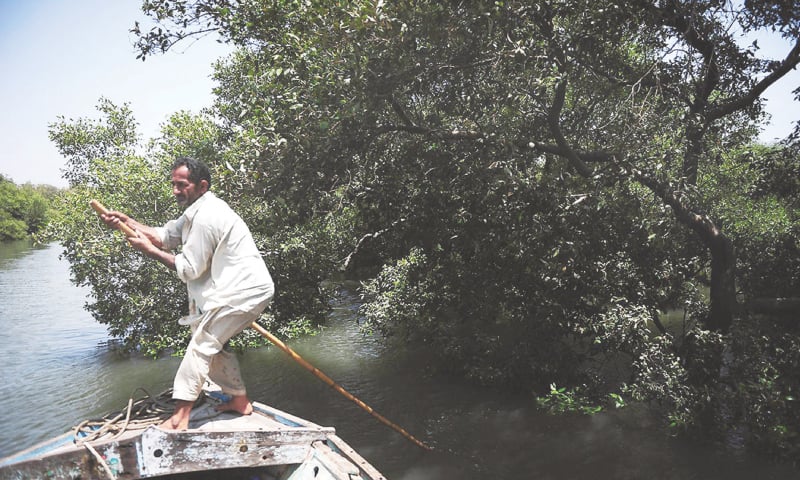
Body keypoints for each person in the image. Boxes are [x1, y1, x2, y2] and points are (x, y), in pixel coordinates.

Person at [101, 157, 275, 430]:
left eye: (181, 185)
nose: (175, 191)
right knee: (210, 342)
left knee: (201, 345)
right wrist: (128, 221)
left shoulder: (207, 217)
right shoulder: (196, 210)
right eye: (173, 184)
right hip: (232, 289)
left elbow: (190, 268)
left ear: (201, 185)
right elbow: (165, 235)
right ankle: (240, 400)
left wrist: (149, 251)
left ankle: (180, 419)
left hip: (243, 290)